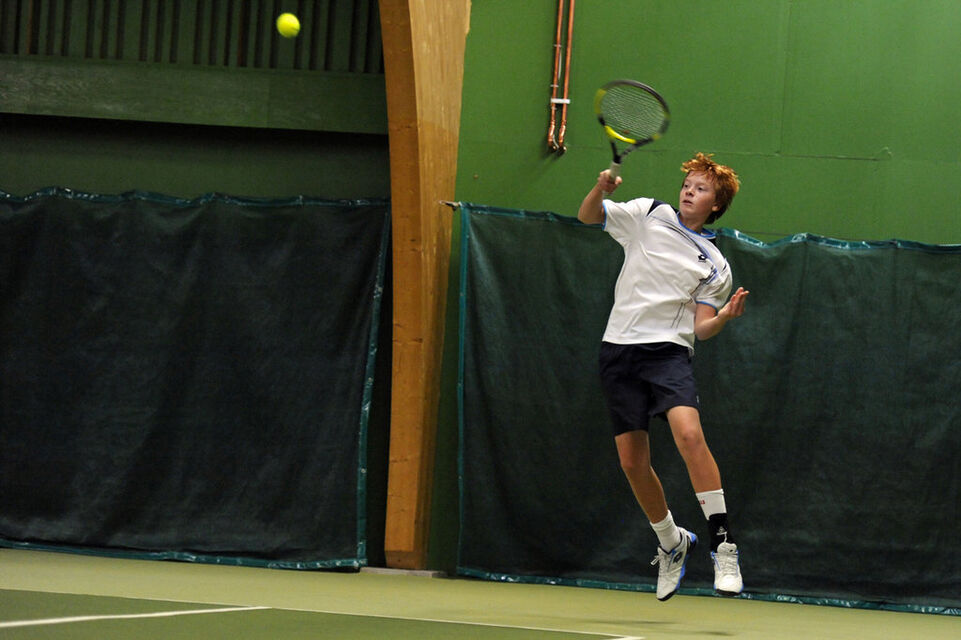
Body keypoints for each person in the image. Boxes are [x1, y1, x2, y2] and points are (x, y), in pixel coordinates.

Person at [577, 152, 748, 601]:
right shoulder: (647, 213)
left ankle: (723, 545)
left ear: (716, 204)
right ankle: (672, 542)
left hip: (668, 352)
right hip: (618, 350)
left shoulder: (716, 264)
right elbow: (588, 215)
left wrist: (724, 317)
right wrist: (600, 189)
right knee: (632, 462)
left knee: (689, 435)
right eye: (687, 184)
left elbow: (701, 328)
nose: (689, 191)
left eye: (701, 188)